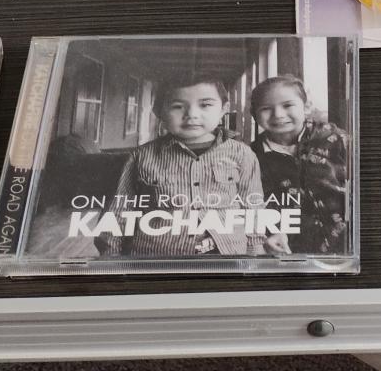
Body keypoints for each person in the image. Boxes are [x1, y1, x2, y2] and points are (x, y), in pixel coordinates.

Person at [101, 76, 265, 258]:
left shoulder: (242, 154)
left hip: (228, 256)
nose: (192, 114)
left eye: (205, 105)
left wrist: (255, 253)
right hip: (155, 257)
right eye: (178, 106)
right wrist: (110, 255)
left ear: (223, 110)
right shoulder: (141, 156)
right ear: (159, 111)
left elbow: (253, 206)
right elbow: (118, 210)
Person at [250, 73, 349, 255]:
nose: (278, 115)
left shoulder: (337, 140)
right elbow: (248, 208)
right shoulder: (250, 156)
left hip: (346, 244)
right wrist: (263, 238)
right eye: (266, 108)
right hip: (288, 250)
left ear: (307, 106)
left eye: (288, 105)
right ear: (254, 114)